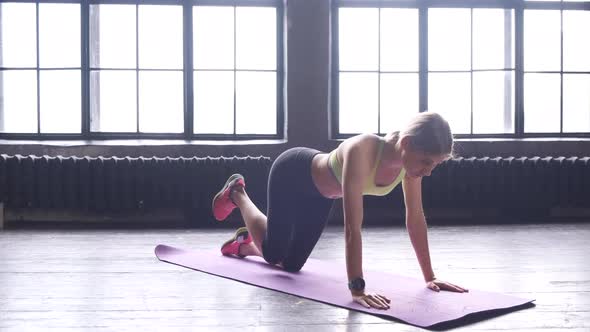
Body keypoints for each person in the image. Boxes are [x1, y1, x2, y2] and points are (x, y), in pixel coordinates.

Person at [211, 111, 468, 310]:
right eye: (426, 162)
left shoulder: (411, 166)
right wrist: (357, 288)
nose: (429, 170)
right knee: (272, 252)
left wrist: (430, 277)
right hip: (291, 174)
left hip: (320, 196)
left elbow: (415, 218)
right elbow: (352, 228)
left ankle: (244, 244)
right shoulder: (363, 150)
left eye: (434, 164)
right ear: (408, 143)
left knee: (291, 266)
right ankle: (238, 193)